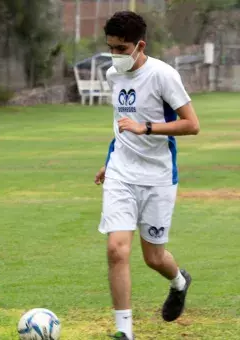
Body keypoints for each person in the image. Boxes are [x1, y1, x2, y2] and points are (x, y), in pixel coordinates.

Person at [94, 11, 200, 340]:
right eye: (111, 48)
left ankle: (179, 282)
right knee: (116, 249)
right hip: (121, 173)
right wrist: (110, 160)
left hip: (157, 176)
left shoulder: (163, 76)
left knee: (153, 257)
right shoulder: (114, 74)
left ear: (141, 46)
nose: (116, 56)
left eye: (122, 49)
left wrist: (147, 128)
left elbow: (191, 124)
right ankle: (124, 333)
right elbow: (122, 122)